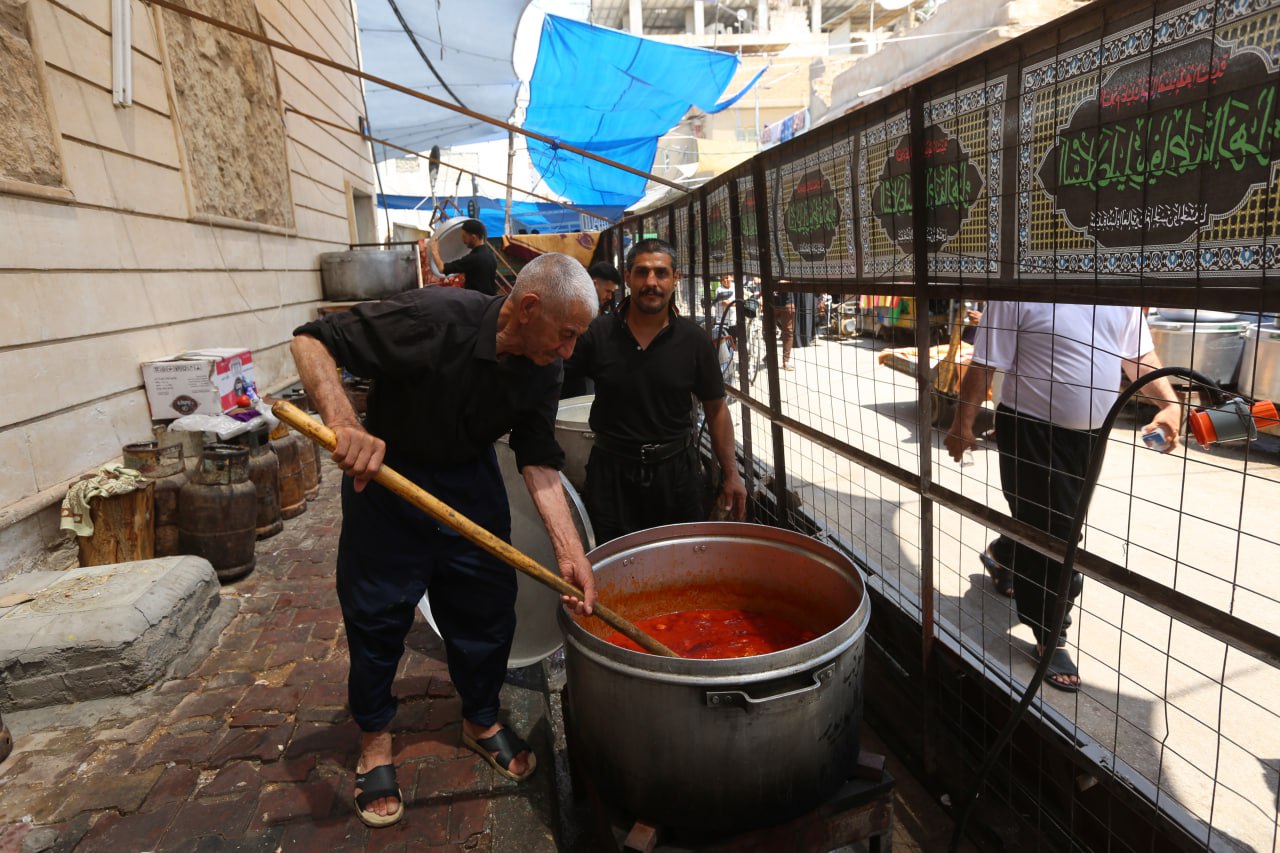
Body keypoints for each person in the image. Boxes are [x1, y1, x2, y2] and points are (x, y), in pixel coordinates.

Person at [290, 253, 599, 827]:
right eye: (566, 335)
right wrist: (346, 423)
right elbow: (311, 341)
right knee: (377, 619)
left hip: (469, 483)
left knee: (486, 613)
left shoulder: (543, 366)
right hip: (387, 484)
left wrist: (569, 551)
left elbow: (537, 458)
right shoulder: (431, 317)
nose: (569, 352)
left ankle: (481, 719)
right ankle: (376, 741)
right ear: (528, 308)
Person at [943, 302, 1181, 692]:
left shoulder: (1115, 290)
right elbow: (984, 363)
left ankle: (1004, 554)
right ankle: (1050, 634)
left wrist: (1169, 404)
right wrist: (961, 423)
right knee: (1056, 535)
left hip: (1089, 436)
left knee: (1055, 521)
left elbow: (1137, 356)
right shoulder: (1017, 290)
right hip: (1029, 428)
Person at [566, 238, 748, 544]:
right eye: (642, 272)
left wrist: (731, 472)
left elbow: (717, 409)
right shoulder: (597, 334)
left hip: (676, 476)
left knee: (681, 561)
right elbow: (554, 373)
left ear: (675, 279)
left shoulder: (694, 340)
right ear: (627, 277)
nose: (651, 282)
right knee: (613, 562)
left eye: (661, 273)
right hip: (611, 476)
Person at [430, 218, 498, 295]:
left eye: (464, 236)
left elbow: (442, 268)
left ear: (473, 237)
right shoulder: (490, 254)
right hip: (490, 300)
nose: (462, 240)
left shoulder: (474, 259)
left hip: (477, 302)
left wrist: (434, 251)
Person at [772, 287, 796, 371]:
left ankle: (785, 361)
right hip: (774, 303)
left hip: (783, 303)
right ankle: (771, 356)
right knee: (769, 331)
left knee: (788, 333)